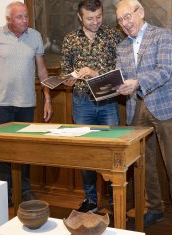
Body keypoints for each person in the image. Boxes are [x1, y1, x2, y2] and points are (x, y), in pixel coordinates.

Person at [115, 0, 172, 234]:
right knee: (145, 165)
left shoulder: (162, 35)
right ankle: (155, 208)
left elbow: (164, 69)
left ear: (140, 12)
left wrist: (137, 82)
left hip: (165, 107)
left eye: (128, 16)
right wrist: (117, 86)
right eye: (120, 20)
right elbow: (121, 76)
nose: (125, 23)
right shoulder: (121, 47)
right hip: (135, 108)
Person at [0, 1, 52, 206]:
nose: (25, 20)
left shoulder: (35, 36)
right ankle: (6, 191)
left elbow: (42, 71)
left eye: (26, 16)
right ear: (8, 19)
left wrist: (47, 98)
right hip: (0, 104)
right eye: (20, 17)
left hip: (26, 104)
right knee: (3, 151)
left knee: (24, 150)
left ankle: (24, 190)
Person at [60, 0, 123, 213]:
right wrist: (69, 78)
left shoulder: (114, 36)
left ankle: (116, 199)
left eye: (99, 17)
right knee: (86, 153)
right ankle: (91, 200)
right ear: (80, 17)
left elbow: (121, 70)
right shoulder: (70, 40)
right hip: (82, 103)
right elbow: (65, 72)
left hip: (108, 103)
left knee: (113, 151)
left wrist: (95, 74)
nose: (95, 22)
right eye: (90, 18)